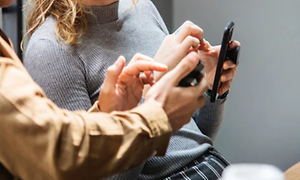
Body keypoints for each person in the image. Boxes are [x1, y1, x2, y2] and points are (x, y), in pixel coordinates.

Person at [23, 0, 240, 179]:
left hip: (213, 165)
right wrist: (154, 86)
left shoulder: (142, 8)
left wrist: (211, 90)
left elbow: (193, 140)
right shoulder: (49, 48)